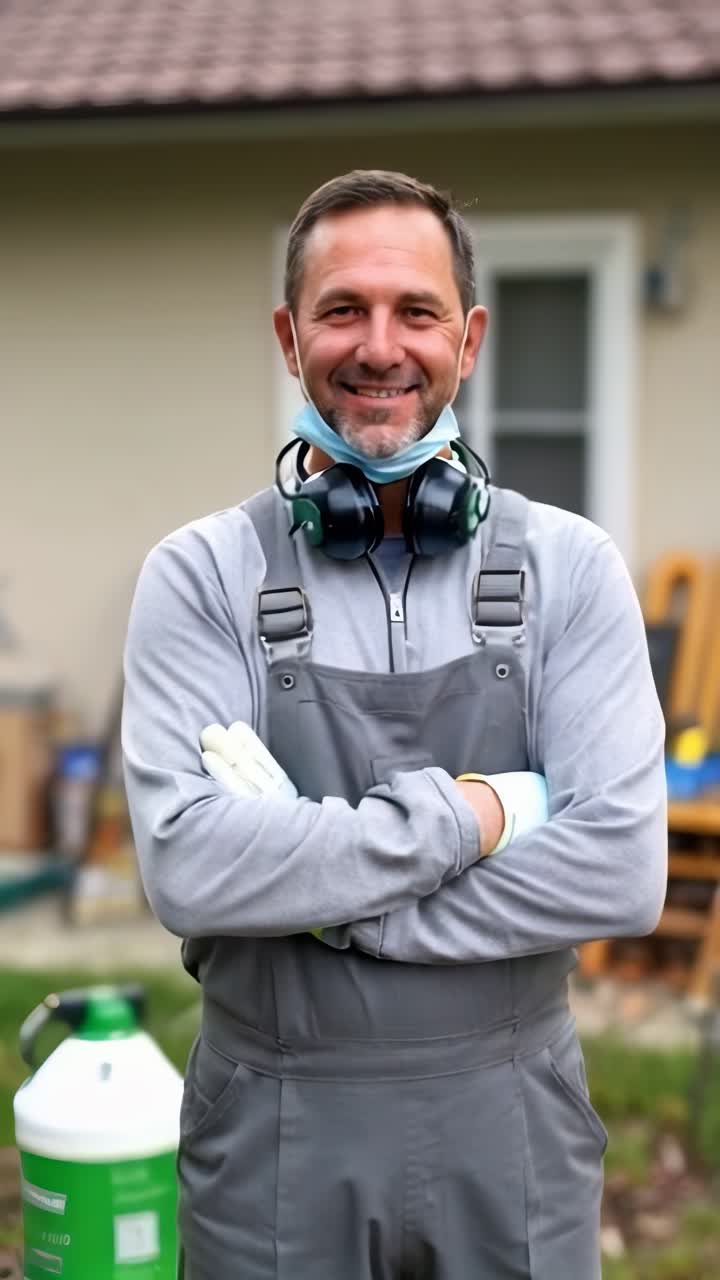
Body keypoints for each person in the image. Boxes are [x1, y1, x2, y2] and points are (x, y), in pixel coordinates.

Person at [121, 170, 668, 1280]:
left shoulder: (570, 568)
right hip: (274, 1117)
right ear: (289, 336)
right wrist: (474, 815)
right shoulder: (200, 577)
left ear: (467, 338)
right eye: (342, 310)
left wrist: (347, 915)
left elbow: (618, 870)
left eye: (415, 312)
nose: (381, 346)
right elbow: (189, 863)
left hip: (511, 1116)